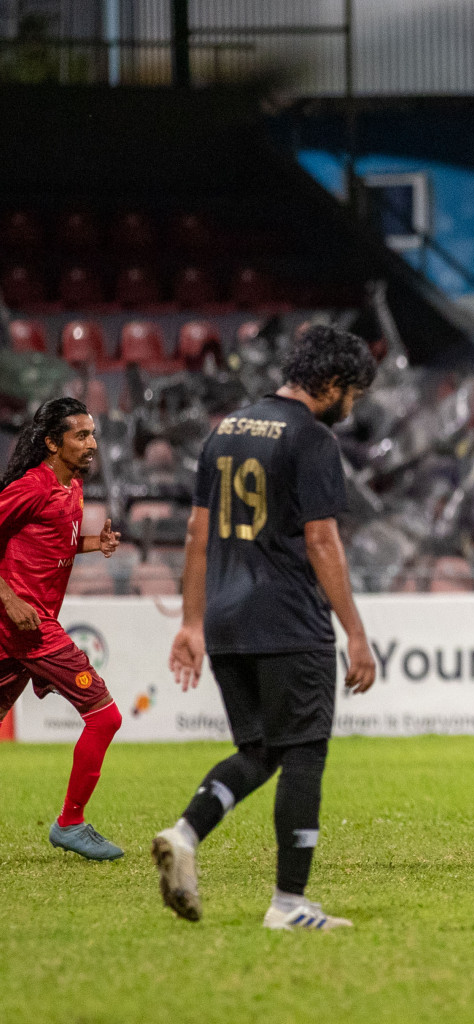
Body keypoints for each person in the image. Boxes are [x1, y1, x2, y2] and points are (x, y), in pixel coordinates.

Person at [152, 324, 379, 930]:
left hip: (226, 619)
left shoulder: (224, 431)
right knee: (303, 751)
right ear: (330, 383)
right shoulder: (311, 439)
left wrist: (192, 623)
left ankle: (184, 833)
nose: (352, 406)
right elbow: (322, 539)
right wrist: (355, 633)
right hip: (288, 619)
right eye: (352, 393)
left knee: (259, 750)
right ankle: (289, 903)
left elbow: (197, 534)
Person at [0, 398, 123, 860]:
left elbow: (53, 542)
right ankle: (70, 823)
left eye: (92, 434)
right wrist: (10, 599)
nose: (92, 444)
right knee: (105, 716)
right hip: (24, 626)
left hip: (24, 627)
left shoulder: (71, 486)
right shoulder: (32, 486)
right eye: (81, 435)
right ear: (52, 441)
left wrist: (94, 544)